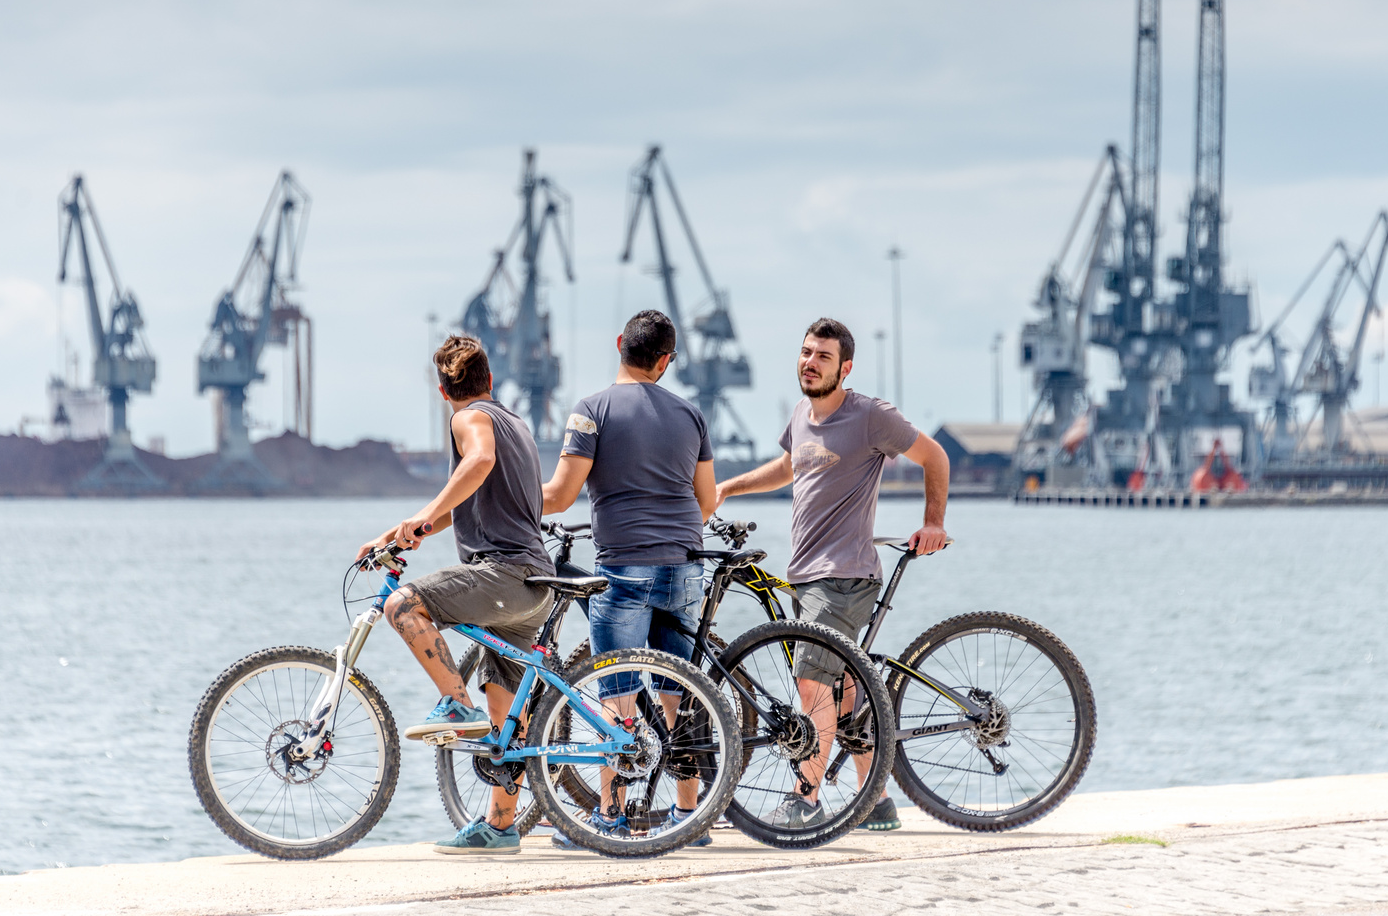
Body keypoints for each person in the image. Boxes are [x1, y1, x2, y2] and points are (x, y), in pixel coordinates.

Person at [717, 316, 949, 832]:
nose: (810, 362)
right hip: (807, 574)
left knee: (811, 684)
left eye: (822, 356)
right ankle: (877, 802)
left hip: (843, 576)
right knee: (842, 695)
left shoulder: (869, 416)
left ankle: (805, 799)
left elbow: (935, 456)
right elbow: (787, 468)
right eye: (805, 352)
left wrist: (934, 522)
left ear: (845, 367)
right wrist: (728, 488)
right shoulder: (802, 413)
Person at [359, 334, 556, 856]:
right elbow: (465, 502)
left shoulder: (470, 419)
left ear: (444, 393)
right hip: (535, 584)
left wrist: (423, 515)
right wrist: (396, 534)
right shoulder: (517, 423)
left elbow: (479, 463)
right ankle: (500, 826)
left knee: (402, 603)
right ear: (490, 379)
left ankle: (454, 702)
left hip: (504, 576)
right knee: (504, 717)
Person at [540, 309, 719, 848]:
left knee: (617, 690)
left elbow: (561, 495)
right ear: (666, 361)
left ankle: (612, 816)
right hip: (686, 562)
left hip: (624, 564)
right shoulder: (691, 414)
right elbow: (707, 501)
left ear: (620, 344)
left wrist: (503, 499)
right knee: (679, 690)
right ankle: (687, 816)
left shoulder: (591, 411)